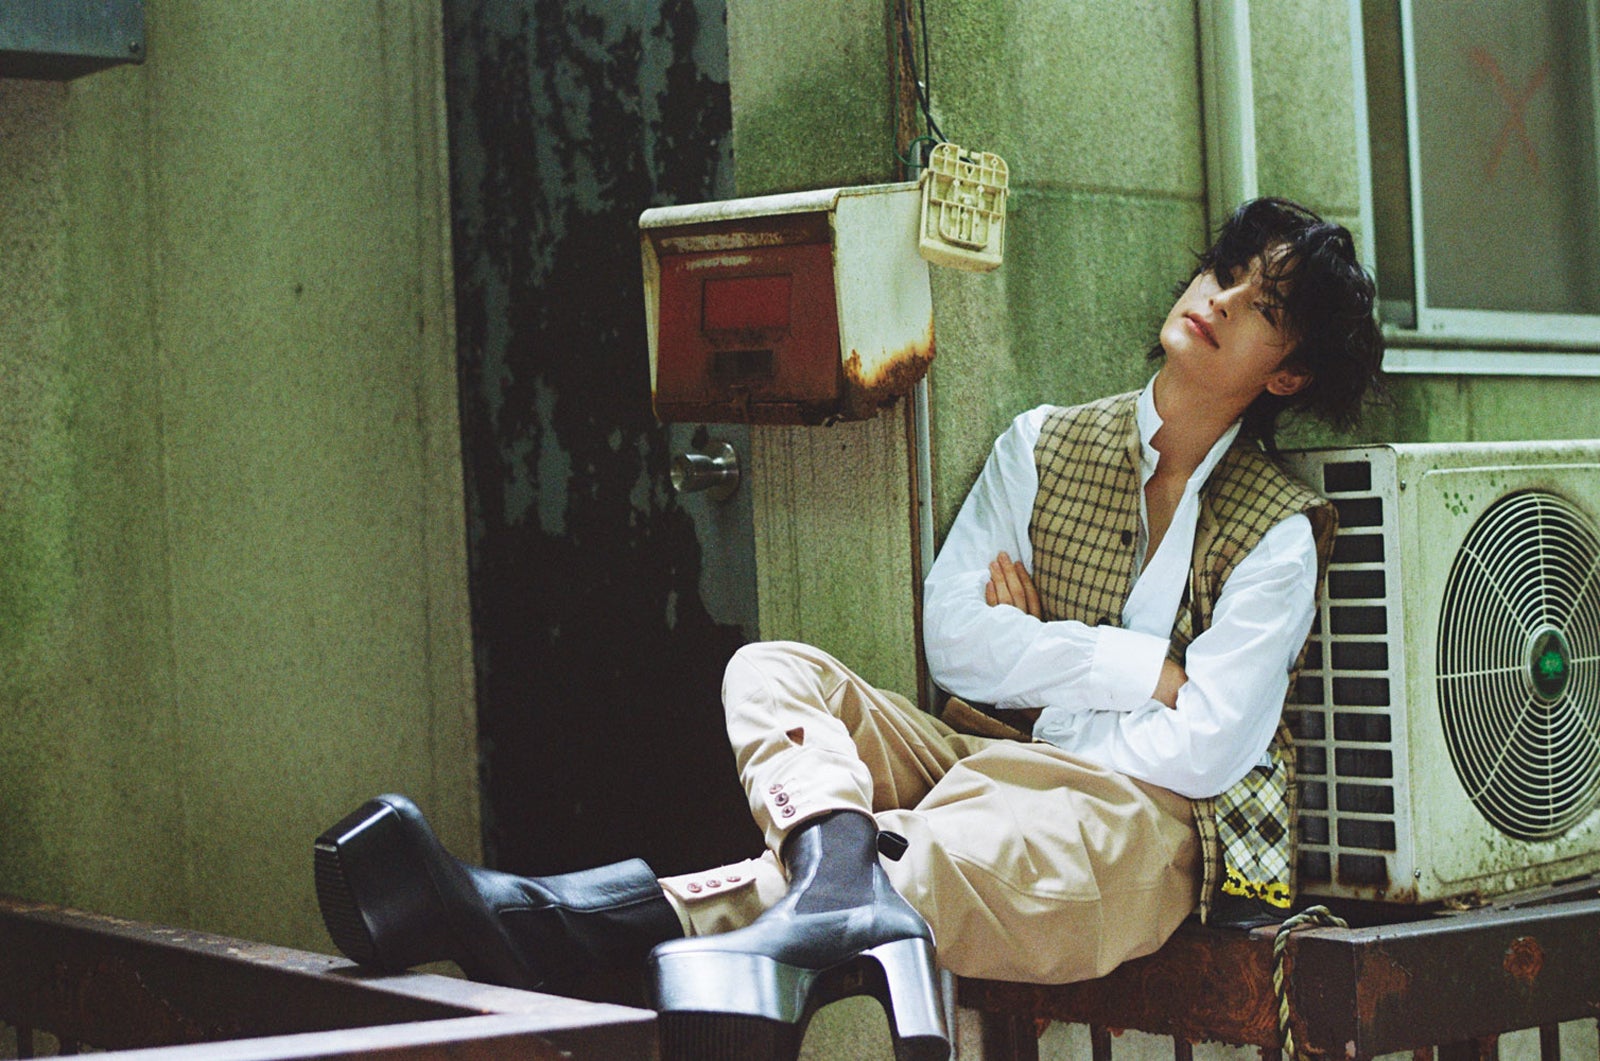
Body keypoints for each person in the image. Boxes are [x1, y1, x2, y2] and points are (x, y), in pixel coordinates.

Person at [312, 198, 1383, 1061]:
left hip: (1141, 826)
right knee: (772, 669)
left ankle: (543, 916)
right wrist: (1135, 666)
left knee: (922, 858)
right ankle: (807, 886)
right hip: (985, 754)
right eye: (1224, 270)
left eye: (1261, 306)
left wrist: (1040, 666)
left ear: (1286, 372)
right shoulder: (1043, 443)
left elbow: (1206, 746)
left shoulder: (1277, 530)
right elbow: (955, 641)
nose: (1220, 299)